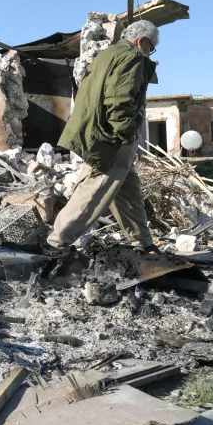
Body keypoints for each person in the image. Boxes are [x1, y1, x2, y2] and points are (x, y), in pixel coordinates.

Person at [47, 20, 160, 253]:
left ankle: (143, 242)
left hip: (100, 132)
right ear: (142, 41)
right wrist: (126, 133)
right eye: (152, 47)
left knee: (128, 192)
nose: (150, 53)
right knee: (94, 191)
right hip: (111, 137)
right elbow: (119, 101)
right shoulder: (132, 57)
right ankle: (56, 244)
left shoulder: (107, 55)